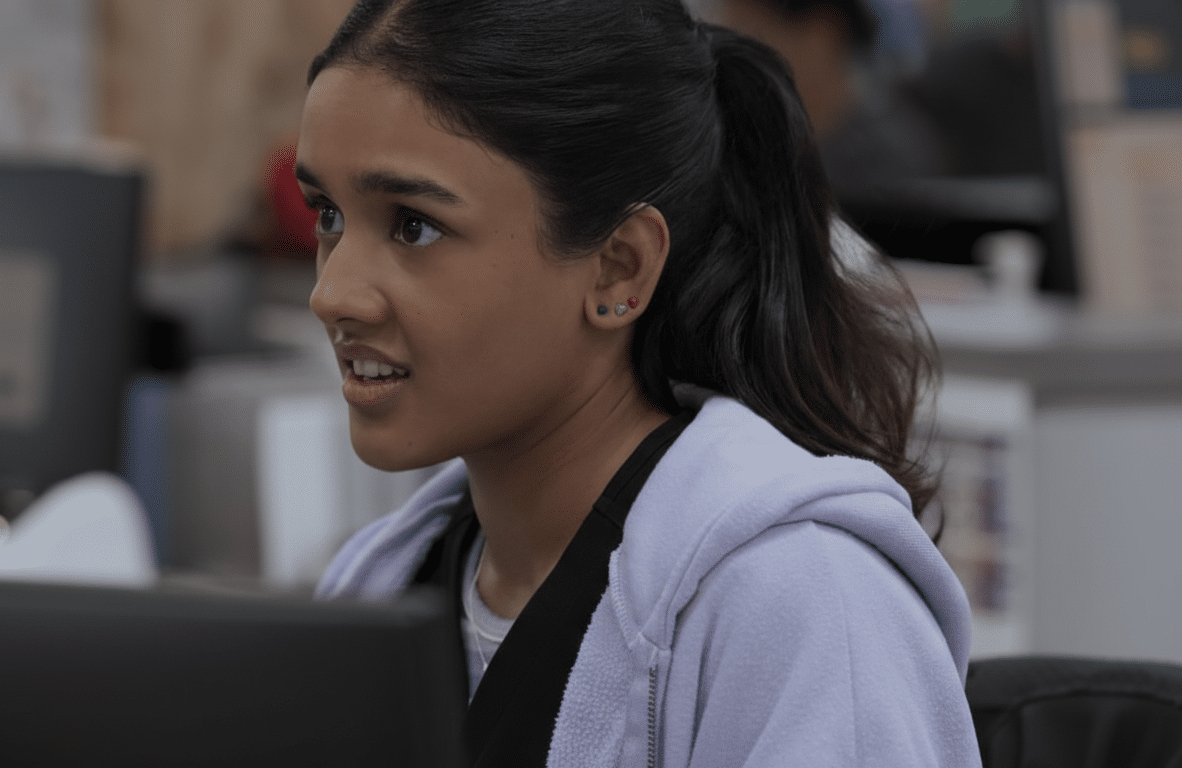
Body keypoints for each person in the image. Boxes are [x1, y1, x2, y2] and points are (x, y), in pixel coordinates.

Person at [299, 0, 981, 765]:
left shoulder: (804, 600)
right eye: (327, 214)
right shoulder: (383, 583)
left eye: (413, 225)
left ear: (619, 267)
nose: (333, 293)